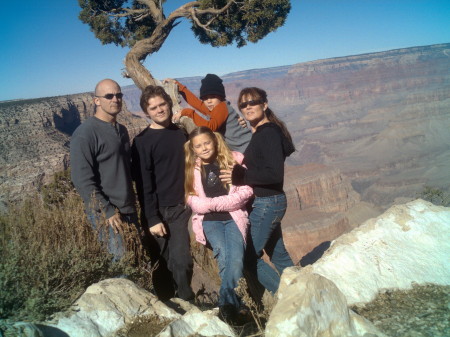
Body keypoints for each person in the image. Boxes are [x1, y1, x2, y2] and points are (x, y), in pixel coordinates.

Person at [220, 87, 295, 294]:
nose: (248, 106)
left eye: (253, 102)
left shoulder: (268, 133)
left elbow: (274, 174)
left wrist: (240, 177)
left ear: (265, 104)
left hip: (267, 203)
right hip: (269, 202)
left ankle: (285, 296)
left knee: (246, 256)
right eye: (243, 104)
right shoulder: (264, 130)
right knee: (278, 254)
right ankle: (302, 290)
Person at [132, 85, 195, 302]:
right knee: (161, 263)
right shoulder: (141, 142)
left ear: (169, 104)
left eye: (162, 104)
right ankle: (168, 307)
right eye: (153, 107)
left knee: (181, 261)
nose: (159, 110)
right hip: (156, 211)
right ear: (146, 112)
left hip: (180, 209)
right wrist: (152, 218)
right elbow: (143, 183)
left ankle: (187, 303)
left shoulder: (182, 133)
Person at [184, 126, 253, 324]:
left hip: (233, 219)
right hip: (210, 223)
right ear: (193, 149)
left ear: (215, 141)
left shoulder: (233, 160)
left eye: (207, 142)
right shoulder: (193, 168)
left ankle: (227, 306)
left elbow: (246, 191)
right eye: (199, 146)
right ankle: (239, 307)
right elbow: (192, 199)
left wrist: (212, 204)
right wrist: (212, 206)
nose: (204, 148)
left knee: (235, 259)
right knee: (224, 257)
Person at [70, 79, 138, 261]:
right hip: (107, 213)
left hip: (128, 208)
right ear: (96, 101)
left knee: (136, 259)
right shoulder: (85, 133)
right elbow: (81, 179)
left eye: (119, 95)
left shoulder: (122, 129)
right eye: (109, 96)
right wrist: (107, 210)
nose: (115, 99)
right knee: (121, 265)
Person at [165, 74, 252, 153]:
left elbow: (211, 127)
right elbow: (197, 103)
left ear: (221, 97)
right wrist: (179, 86)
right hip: (241, 149)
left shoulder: (222, 107)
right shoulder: (214, 107)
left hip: (246, 147)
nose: (209, 101)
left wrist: (188, 112)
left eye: (213, 97)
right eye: (205, 98)